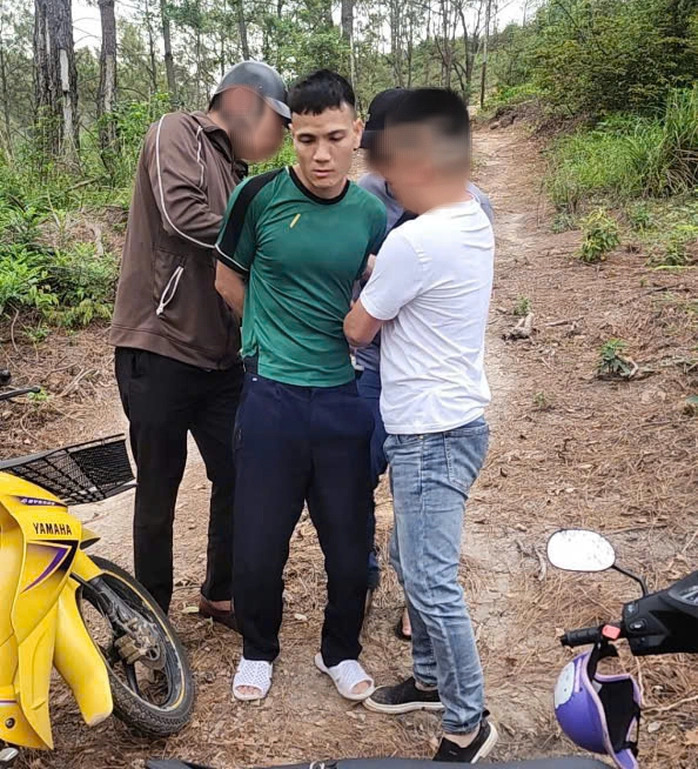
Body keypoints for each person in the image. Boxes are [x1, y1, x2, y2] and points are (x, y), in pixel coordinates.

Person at [214, 70, 387, 702]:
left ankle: (339, 651)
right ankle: (258, 649)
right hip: (272, 396)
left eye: (335, 138)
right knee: (259, 542)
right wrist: (261, 340)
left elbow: (379, 286)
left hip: (342, 395)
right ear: (293, 137)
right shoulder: (257, 196)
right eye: (308, 139)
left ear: (356, 133)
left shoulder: (370, 215)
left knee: (349, 545)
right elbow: (227, 278)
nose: (321, 155)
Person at [344, 88, 497, 762]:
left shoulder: (415, 239)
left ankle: (468, 721)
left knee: (431, 581)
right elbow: (412, 282)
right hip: (451, 423)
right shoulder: (472, 217)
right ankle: (431, 680)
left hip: (429, 432)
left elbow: (359, 327)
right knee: (410, 560)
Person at [109, 61, 290, 621]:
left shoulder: (238, 175)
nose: (283, 137)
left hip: (220, 358)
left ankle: (221, 590)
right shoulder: (177, 131)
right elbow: (180, 215)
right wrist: (264, 239)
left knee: (239, 469)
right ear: (244, 103)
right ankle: (152, 614)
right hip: (158, 345)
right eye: (280, 123)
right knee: (159, 486)